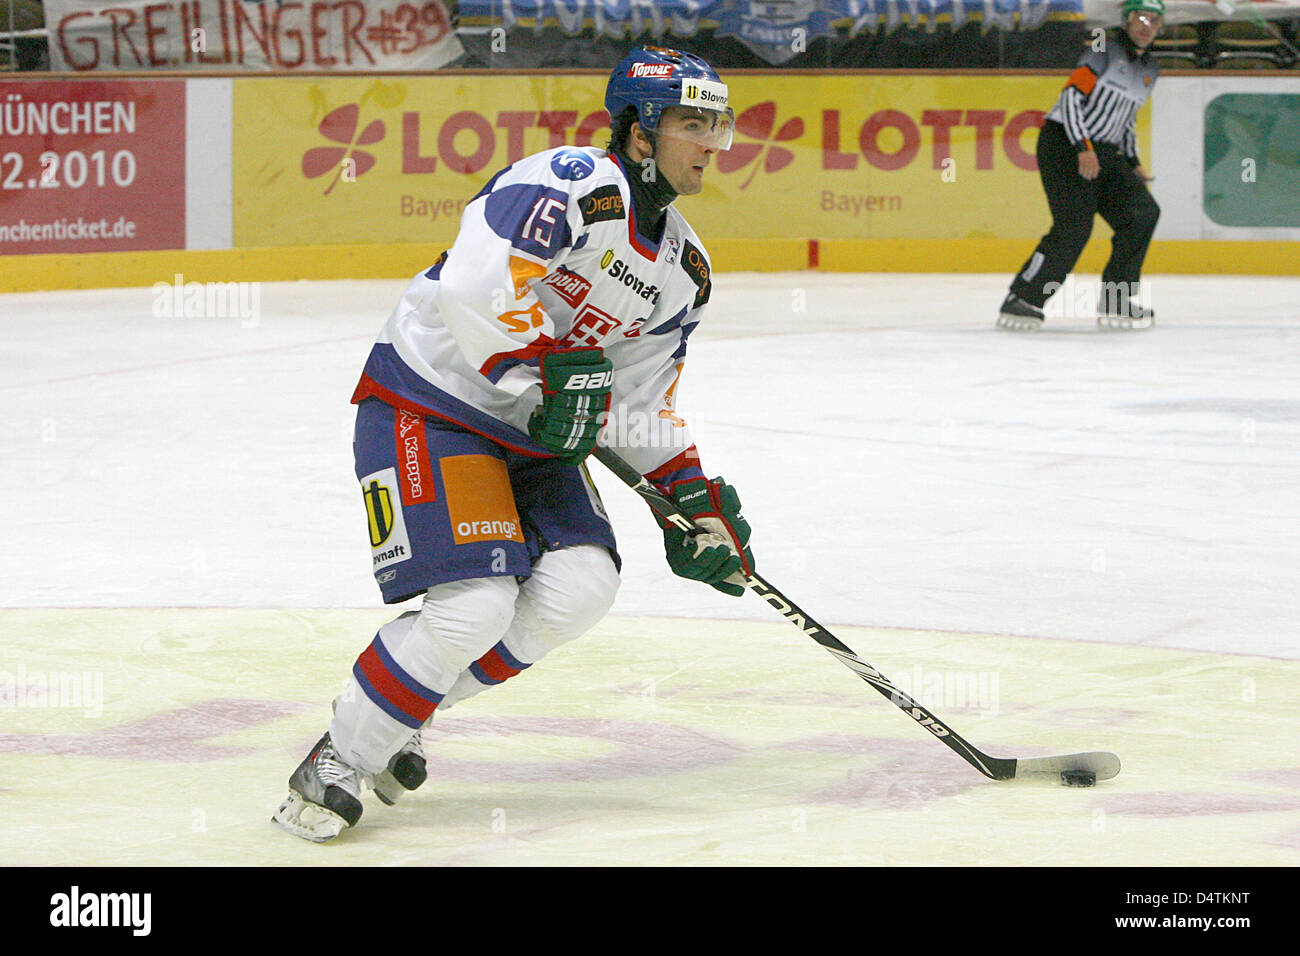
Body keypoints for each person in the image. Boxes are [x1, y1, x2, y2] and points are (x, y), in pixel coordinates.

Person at [273, 46, 755, 843]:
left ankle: (398, 713)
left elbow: (634, 401)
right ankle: (342, 758)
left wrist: (693, 499)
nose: (711, 141)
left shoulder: (685, 270)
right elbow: (475, 284)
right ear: (639, 130)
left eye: (717, 124)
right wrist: (544, 377)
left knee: (580, 588)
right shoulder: (567, 182)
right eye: (691, 122)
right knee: (475, 607)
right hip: (433, 402)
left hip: (535, 437)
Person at [998, 0, 1163, 332]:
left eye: (1156, 21)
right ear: (1127, 20)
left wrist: (1132, 162)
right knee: (1074, 228)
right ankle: (1022, 298)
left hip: (1103, 150)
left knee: (1142, 213)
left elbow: (1126, 119)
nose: (1148, 26)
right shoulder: (1103, 47)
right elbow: (1071, 96)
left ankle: (1117, 299)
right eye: (1141, 18)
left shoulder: (1150, 69)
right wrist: (1081, 147)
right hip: (1064, 143)